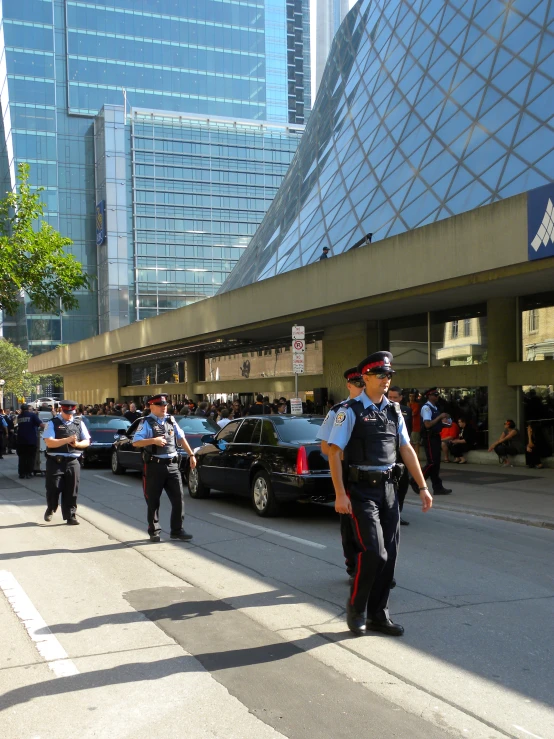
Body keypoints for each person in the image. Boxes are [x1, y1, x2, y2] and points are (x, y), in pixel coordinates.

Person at [326, 352, 432, 637]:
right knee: (374, 552)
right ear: (366, 378)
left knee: (391, 555)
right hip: (360, 490)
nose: (387, 380)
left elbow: (406, 449)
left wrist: (422, 487)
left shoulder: (394, 411)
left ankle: (378, 614)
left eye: (389, 375)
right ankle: (357, 608)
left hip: (388, 489)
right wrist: (339, 494)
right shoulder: (348, 410)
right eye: (381, 375)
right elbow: (334, 453)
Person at [316, 367, 365, 579]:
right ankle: (354, 566)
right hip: (349, 471)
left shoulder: (379, 408)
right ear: (349, 385)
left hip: (375, 474)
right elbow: (326, 448)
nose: (361, 386)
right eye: (357, 383)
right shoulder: (339, 410)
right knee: (350, 522)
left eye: (364, 382)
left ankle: (376, 568)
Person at [132, 394, 196, 543]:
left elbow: (180, 438)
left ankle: (177, 530)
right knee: (153, 500)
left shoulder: (170, 420)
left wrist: (191, 454)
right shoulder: (146, 422)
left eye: (165, 404)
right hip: (155, 466)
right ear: (151, 407)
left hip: (172, 465)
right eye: (160, 405)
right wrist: (153, 440)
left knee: (178, 498)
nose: (164, 407)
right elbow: (136, 442)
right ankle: (154, 531)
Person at [43, 400, 91, 525]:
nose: (69, 415)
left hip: (73, 460)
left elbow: (87, 441)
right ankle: (51, 508)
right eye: (67, 412)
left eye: (71, 412)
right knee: (53, 487)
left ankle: (71, 515)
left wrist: (77, 444)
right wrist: (67, 440)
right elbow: (49, 442)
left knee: (72, 489)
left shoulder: (78, 423)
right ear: (61, 410)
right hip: (55, 461)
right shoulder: (52, 423)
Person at [411, 388, 453, 495]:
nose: (437, 396)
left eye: (437, 394)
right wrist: (440, 417)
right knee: (432, 462)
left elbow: (436, 423)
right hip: (429, 437)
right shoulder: (426, 408)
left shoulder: (435, 407)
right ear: (429, 396)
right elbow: (428, 424)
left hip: (435, 436)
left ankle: (437, 487)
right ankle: (415, 481)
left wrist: (445, 422)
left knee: (436, 464)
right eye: (435, 394)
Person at [387, 386, 412, 526]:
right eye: (390, 397)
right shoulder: (381, 409)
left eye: (395, 397)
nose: (392, 400)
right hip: (387, 453)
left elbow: (408, 433)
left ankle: (397, 513)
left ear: (401, 398)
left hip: (402, 453)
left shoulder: (406, 411)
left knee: (402, 485)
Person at [15, 403, 44, 479]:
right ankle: (28, 472)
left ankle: (22, 473)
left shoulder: (19, 416)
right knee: (30, 457)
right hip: (31, 440)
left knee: (22, 457)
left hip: (21, 440)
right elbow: (41, 425)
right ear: (28, 409)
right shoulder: (32, 415)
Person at [408, 390, 421, 457]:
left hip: (415, 426)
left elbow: (412, 413)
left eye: (412, 396)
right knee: (410, 442)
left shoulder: (416, 405)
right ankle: (412, 455)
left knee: (416, 442)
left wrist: (408, 407)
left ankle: (416, 455)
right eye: (410, 396)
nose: (411, 398)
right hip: (409, 426)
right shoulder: (408, 404)